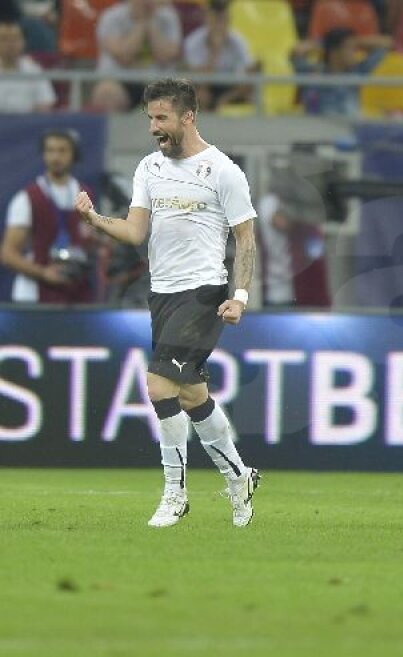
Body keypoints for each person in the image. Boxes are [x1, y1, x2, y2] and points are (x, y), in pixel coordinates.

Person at [72, 78, 260, 528]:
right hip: (163, 294)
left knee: (159, 386)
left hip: (204, 292)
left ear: (188, 117)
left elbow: (245, 238)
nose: (154, 127)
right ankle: (238, 475)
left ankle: (175, 493)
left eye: (162, 118)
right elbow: (135, 231)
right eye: (150, 118)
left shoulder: (223, 171)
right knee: (192, 395)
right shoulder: (149, 168)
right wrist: (95, 219)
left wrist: (239, 297)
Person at [1, 130, 96, 304]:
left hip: (76, 294)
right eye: (50, 150)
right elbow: (7, 254)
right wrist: (43, 273)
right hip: (34, 295)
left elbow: (89, 242)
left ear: (73, 154)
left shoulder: (85, 194)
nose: (55, 157)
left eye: (62, 150)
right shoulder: (27, 198)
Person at [90, 0, 183, 112]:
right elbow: (124, 57)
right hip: (121, 81)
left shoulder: (168, 17)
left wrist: (151, 23)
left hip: (158, 82)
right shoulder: (111, 17)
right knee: (107, 92)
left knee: (177, 96)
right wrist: (141, 23)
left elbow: (166, 57)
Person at [182, 0, 255, 111]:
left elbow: (246, 79)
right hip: (204, 87)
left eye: (223, 20)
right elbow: (197, 80)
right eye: (215, 20)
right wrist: (215, 52)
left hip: (230, 88)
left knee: (249, 96)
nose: (219, 25)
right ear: (207, 19)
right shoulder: (193, 42)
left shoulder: (238, 42)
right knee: (199, 95)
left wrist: (226, 98)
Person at [0, 15, 55, 112]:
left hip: (28, 119)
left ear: (23, 42)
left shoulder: (34, 70)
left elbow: (46, 102)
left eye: (15, 39)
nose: (10, 44)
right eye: (4, 39)